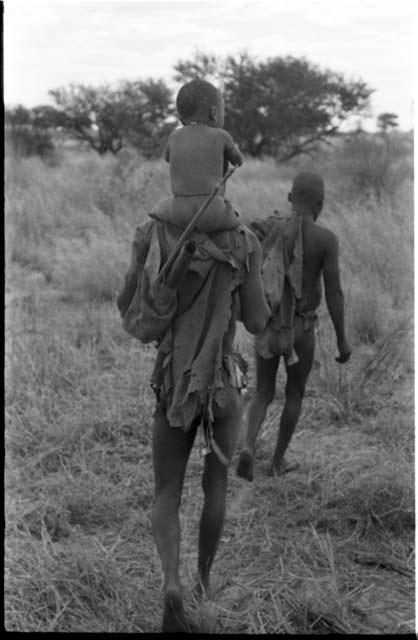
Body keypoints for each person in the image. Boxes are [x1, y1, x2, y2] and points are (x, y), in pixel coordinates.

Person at [117, 203, 270, 632]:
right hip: (222, 379)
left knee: (166, 491)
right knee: (215, 487)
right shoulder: (243, 241)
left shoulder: (152, 232)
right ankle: (204, 581)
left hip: (173, 382)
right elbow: (257, 321)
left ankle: (172, 582)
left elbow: (127, 304)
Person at [236, 171, 351, 482]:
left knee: (262, 391)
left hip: (269, 324)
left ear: (290, 199)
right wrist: (342, 339)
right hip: (301, 328)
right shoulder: (326, 239)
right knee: (295, 394)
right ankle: (277, 461)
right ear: (321, 203)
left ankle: (247, 445)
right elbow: (334, 292)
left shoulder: (273, 228)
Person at [151, 78, 243, 233]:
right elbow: (238, 161)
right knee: (236, 218)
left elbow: (168, 158)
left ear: (181, 119)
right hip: (213, 211)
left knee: (160, 207)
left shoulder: (174, 136)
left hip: (179, 212)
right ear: (214, 113)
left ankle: (156, 215)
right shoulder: (221, 136)